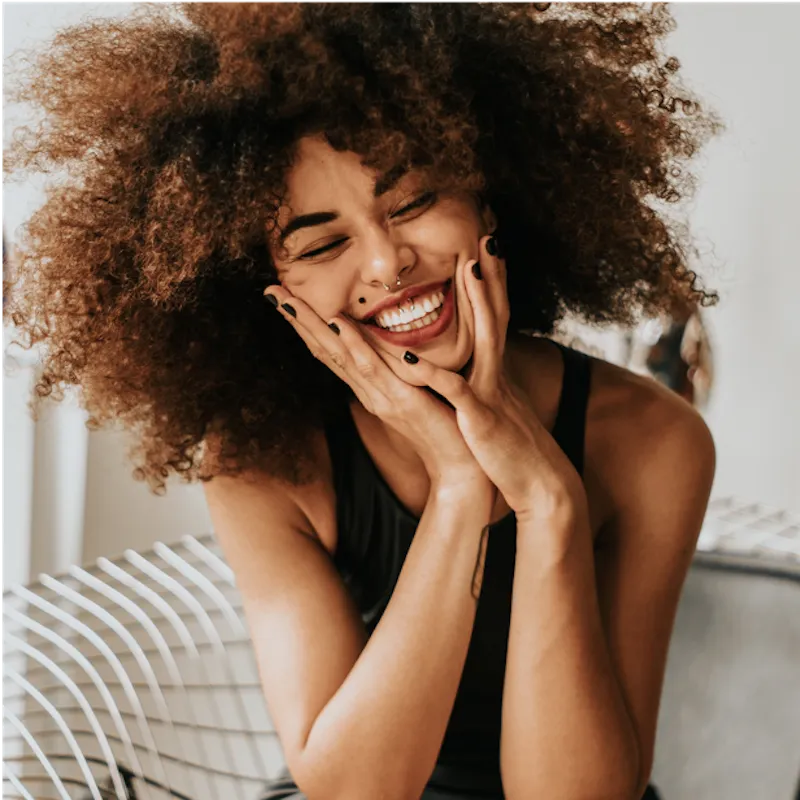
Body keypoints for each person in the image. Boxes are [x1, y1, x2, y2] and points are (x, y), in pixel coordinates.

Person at [2, 1, 726, 797]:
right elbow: (351, 793)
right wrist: (460, 486)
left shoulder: (654, 440)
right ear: (274, 292)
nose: (387, 264)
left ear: (486, 197)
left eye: (412, 202)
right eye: (322, 244)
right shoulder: (263, 464)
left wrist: (549, 501)